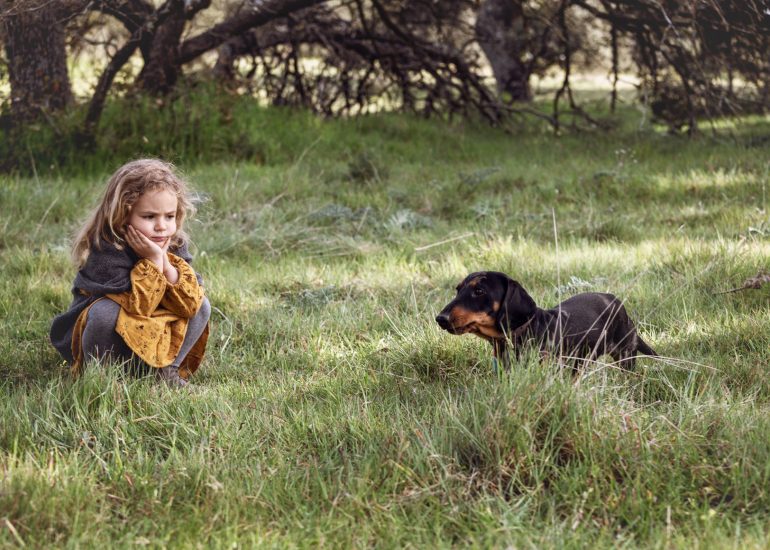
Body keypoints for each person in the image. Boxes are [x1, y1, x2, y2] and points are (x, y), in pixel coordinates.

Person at [50, 159, 211, 388]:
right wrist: (154, 261)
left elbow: (190, 299)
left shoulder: (172, 242)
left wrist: (165, 264)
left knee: (201, 304)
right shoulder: (106, 248)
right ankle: (101, 377)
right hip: (109, 341)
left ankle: (166, 371)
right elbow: (138, 307)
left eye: (169, 216)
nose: (161, 226)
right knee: (106, 311)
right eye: (149, 216)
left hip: (149, 335)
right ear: (123, 215)